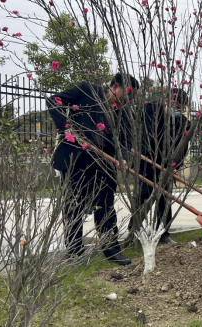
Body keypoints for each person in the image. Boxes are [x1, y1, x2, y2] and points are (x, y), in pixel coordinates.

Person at [48, 73, 139, 266]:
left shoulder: (122, 111)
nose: (128, 101)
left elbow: (125, 139)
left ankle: (112, 249)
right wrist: (66, 128)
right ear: (115, 86)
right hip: (76, 160)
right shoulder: (87, 91)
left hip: (104, 164)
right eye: (127, 95)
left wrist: (122, 156)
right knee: (74, 206)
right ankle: (75, 251)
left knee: (105, 206)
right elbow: (53, 101)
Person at [128, 88, 191, 244]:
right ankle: (133, 230)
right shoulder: (149, 109)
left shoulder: (184, 123)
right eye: (176, 107)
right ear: (167, 101)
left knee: (165, 197)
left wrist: (176, 165)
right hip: (145, 160)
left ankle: (163, 233)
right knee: (143, 195)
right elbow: (130, 123)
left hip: (167, 165)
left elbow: (183, 147)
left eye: (181, 108)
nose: (178, 111)